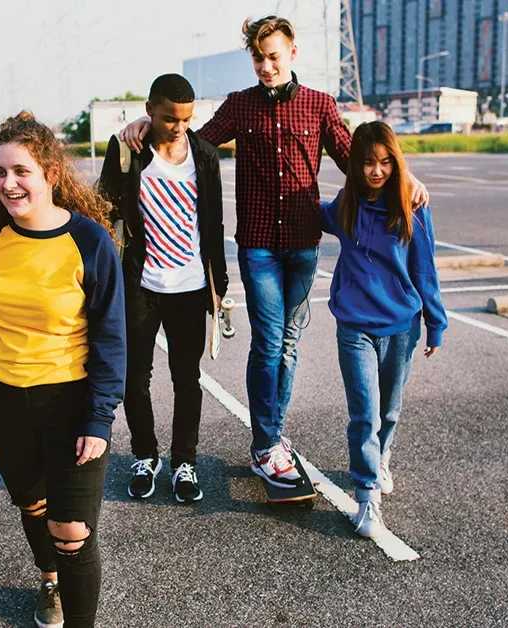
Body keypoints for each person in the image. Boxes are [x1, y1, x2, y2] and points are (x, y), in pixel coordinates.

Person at [120, 15, 429, 489]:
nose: (266, 66)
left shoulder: (321, 106)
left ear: (292, 53)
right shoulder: (241, 106)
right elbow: (191, 136)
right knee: (267, 342)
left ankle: (274, 433)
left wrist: (405, 179)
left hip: (305, 245)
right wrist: (143, 121)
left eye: (274, 57)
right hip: (259, 245)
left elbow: (358, 160)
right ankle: (265, 443)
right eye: (258, 58)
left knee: (288, 345)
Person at [0, 111, 125, 628]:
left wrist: (99, 419)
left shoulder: (90, 241)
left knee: (71, 528)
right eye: (0, 173)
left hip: (70, 401)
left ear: (50, 173)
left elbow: (113, 337)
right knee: (32, 504)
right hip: (6, 400)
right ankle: (48, 580)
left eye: (21, 171)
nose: (8, 184)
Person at [98, 73, 227, 503]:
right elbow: (103, 211)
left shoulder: (205, 157)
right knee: (135, 378)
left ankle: (184, 462)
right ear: (150, 109)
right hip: (140, 283)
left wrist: (218, 285)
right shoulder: (126, 152)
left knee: (186, 378)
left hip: (190, 286)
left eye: (186, 119)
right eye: (170, 118)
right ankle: (145, 455)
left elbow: (214, 224)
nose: (178, 127)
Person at [319, 121, 447, 538]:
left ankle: (383, 456)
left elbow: (425, 268)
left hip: (401, 326)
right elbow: (308, 212)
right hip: (354, 325)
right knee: (364, 414)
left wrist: (435, 324)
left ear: (396, 163)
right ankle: (367, 495)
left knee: (389, 410)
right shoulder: (345, 206)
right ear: (354, 164)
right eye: (368, 163)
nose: (376, 171)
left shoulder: (412, 206)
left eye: (386, 163)